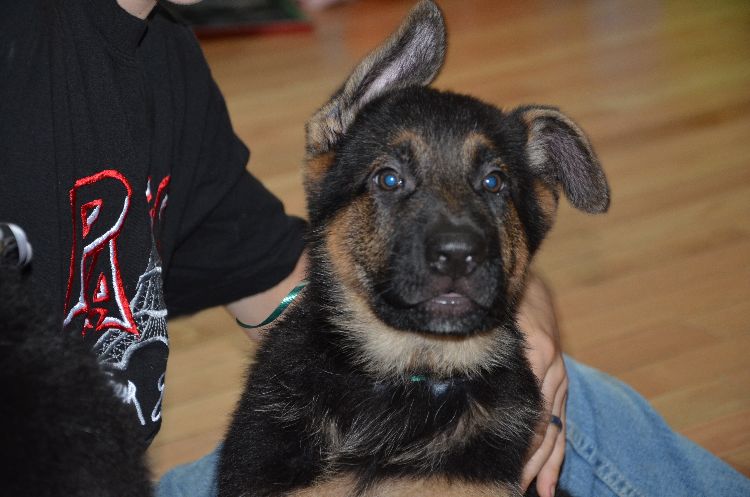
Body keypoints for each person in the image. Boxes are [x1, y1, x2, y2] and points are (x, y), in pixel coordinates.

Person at [0, 1, 747, 497]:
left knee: (564, 395)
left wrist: (527, 311)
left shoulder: (161, 61)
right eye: (390, 178)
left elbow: (305, 289)